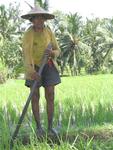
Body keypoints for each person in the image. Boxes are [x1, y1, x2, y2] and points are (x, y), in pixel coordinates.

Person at [21, 6, 61, 136]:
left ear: (44, 19)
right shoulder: (28, 34)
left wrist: (52, 53)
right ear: (32, 20)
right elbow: (26, 54)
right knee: (35, 96)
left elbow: (57, 50)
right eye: (36, 18)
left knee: (50, 95)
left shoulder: (49, 31)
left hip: (48, 65)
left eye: (41, 18)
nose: (39, 20)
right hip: (33, 67)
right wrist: (32, 71)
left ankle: (50, 127)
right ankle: (39, 128)